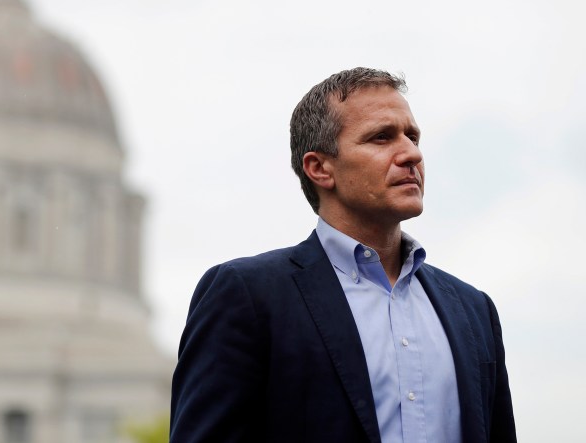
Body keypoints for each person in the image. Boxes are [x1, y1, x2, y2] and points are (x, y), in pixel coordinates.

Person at [170, 67, 516, 443]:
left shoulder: (474, 309)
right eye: (382, 137)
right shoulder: (247, 295)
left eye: (412, 136)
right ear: (320, 168)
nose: (411, 153)